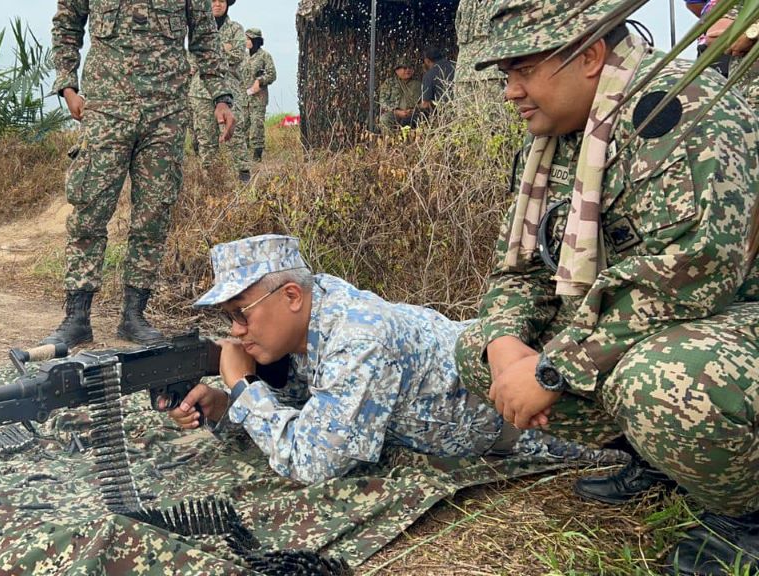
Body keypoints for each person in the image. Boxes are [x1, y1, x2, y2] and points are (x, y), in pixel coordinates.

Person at [452, 0, 759, 573]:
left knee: (661, 380)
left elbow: (694, 273)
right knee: (476, 348)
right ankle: (662, 462)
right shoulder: (556, 140)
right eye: (506, 76)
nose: (511, 91)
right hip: (652, 323)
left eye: (523, 70)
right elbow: (520, 270)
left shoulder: (679, 110)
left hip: (733, 317)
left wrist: (552, 369)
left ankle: (746, 513)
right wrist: (501, 344)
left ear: (590, 56)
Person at [167, 235, 624, 484]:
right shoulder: (314, 310)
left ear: (290, 295)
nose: (235, 332)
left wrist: (245, 389)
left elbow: (313, 461)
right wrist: (226, 406)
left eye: (239, 314)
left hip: (551, 426)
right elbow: (313, 404)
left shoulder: (357, 337)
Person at [42, 0, 235, 348]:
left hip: (166, 114)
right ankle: (76, 318)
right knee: (90, 211)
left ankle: (134, 315)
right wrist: (67, 85)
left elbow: (205, 37)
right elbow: (67, 25)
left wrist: (222, 96)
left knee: (153, 216)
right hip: (106, 109)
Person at [188, 0, 251, 183]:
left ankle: (243, 177)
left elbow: (238, 55)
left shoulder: (235, 29)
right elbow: (193, 58)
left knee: (235, 134)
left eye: (221, 1)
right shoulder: (198, 28)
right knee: (205, 139)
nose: (217, 4)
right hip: (200, 92)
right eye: (213, 0)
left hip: (229, 91)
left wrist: (210, 52)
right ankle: (211, 181)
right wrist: (223, 48)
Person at [245, 28, 276, 163]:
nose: (246, 42)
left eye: (248, 39)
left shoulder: (265, 56)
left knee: (257, 126)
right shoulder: (243, 56)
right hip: (243, 97)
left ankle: (257, 156)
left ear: (255, 40)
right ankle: (244, 155)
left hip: (259, 97)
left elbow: (272, 74)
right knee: (243, 126)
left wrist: (260, 81)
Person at [377, 61, 421, 133]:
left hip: (412, 113)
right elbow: (382, 101)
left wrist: (414, 110)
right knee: (384, 119)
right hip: (395, 113)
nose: (408, 70)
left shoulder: (418, 84)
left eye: (410, 68)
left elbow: (423, 101)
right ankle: (390, 141)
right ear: (397, 70)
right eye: (404, 68)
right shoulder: (389, 83)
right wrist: (397, 112)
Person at [419, 45, 455, 113]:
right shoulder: (456, 65)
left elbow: (425, 104)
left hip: (445, 114)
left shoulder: (429, 75)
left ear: (427, 60)